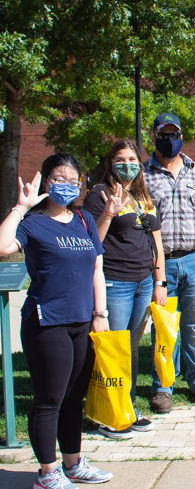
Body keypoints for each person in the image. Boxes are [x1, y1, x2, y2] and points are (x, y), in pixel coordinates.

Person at [0, 155, 113, 488]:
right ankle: (47, 474)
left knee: (73, 398)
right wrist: (20, 207)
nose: (67, 184)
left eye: (73, 178)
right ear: (46, 181)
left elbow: (96, 267)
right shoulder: (33, 222)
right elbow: (3, 246)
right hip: (47, 321)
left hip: (82, 320)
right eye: (59, 177)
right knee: (50, 398)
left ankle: (73, 464)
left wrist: (99, 314)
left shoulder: (82, 220)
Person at [144, 113, 195, 413]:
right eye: (163, 134)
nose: (169, 139)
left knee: (194, 325)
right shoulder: (143, 176)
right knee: (164, 328)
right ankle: (163, 387)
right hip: (160, 265)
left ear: (181, 134)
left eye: (174, 133)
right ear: (153, 135)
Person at [83, 139, 167, 438]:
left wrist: (160, 281)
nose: (127, 164)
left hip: (144, 282)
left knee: (130, 348)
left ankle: (127, 408)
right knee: (111, 348)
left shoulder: (144, 195)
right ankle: (107, 415)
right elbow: (91, 241)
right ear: (111, 162)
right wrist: (108, 212)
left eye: (133, 158)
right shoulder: (98, 195)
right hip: (114, 281)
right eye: (121, 159)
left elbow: (156, 240)